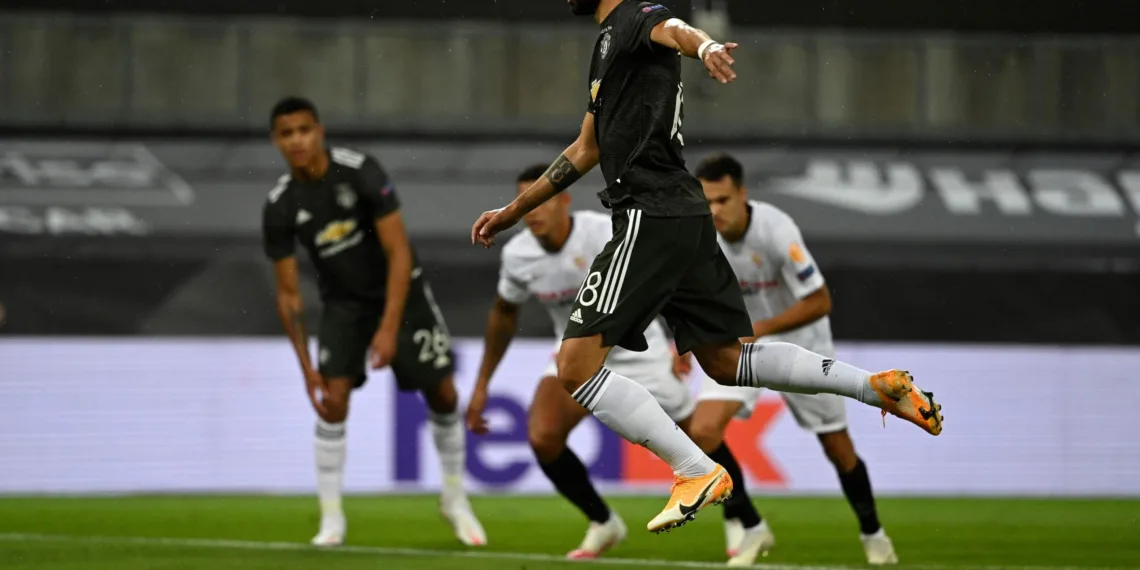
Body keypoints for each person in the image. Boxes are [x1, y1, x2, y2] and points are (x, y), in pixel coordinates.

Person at [470, 0, 943, 535]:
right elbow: (586, 147)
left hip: (648, 213)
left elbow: (672, 27)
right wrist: (513, 211)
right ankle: (875, 388)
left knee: (574, 368)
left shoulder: (632, 17)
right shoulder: (610, 44)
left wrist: (707, 46)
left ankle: (694, 469)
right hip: (684, 216)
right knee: (724, 360)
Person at [466, 165, 756, 559]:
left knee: (702, 439)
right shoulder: (518, 255)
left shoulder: (602, 231)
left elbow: (664, 275)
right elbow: (503, 315)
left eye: (540, 198)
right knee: (543, 437)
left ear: (564, 200)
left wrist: (682, 339)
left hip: (640, 351)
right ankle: (603, 522)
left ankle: (745, 520)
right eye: (524, 201)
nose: (531, 210)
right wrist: (483, 384)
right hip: (575, 358)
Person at [261, 96, 486, 547]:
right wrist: (307, 370)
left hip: (400, 291)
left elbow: (398, 251)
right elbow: (289, 298)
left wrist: (388, 328)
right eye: (287, 134)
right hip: (344, 305)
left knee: (442, 392)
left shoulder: (360, 171)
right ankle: (331, 519)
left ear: (319, 131)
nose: (297, 140)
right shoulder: (281, 205)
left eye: (304, 130)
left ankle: (455, 498)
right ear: (276, 141)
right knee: (332, 400)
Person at [685, 153, 897, 565]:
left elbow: (820, 301)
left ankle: (873, 532)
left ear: (742, 194)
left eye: (722, 200)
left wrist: (759, 329)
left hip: (802, 345)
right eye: (706, 201)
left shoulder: (776, 229)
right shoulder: (698, 236)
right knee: (704, 432)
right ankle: (752, 527)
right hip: (739, 349)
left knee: (837, 448)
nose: (714, 211)